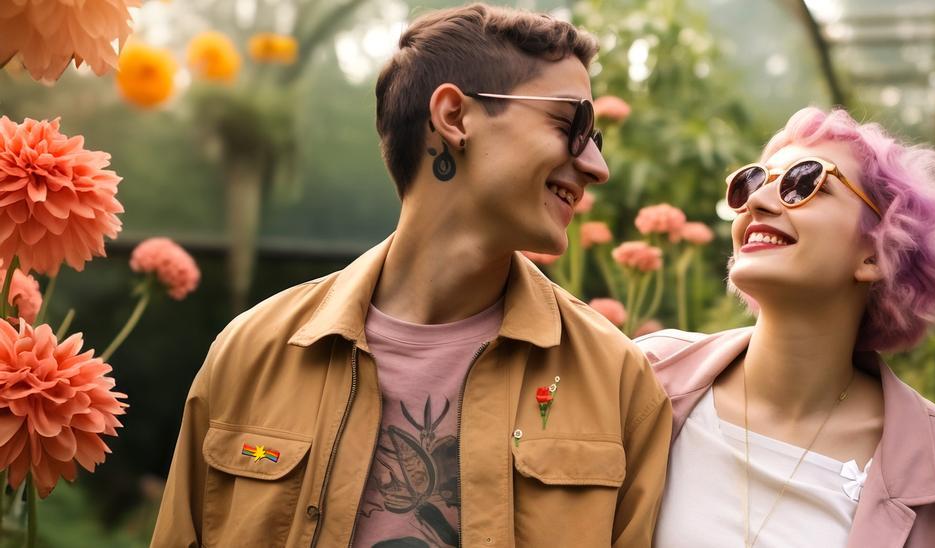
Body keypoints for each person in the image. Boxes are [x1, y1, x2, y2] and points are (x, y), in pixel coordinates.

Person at [151, 5, 671, 547]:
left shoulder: (619, 384)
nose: (596, 167)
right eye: (568, 125)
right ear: (454, 116)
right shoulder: (251, 353)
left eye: (594, 139)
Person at [638, 107, 935, 547]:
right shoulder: (645, 377)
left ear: (875, 253)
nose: (757, 202)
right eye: (752, 182)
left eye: (804, 182)